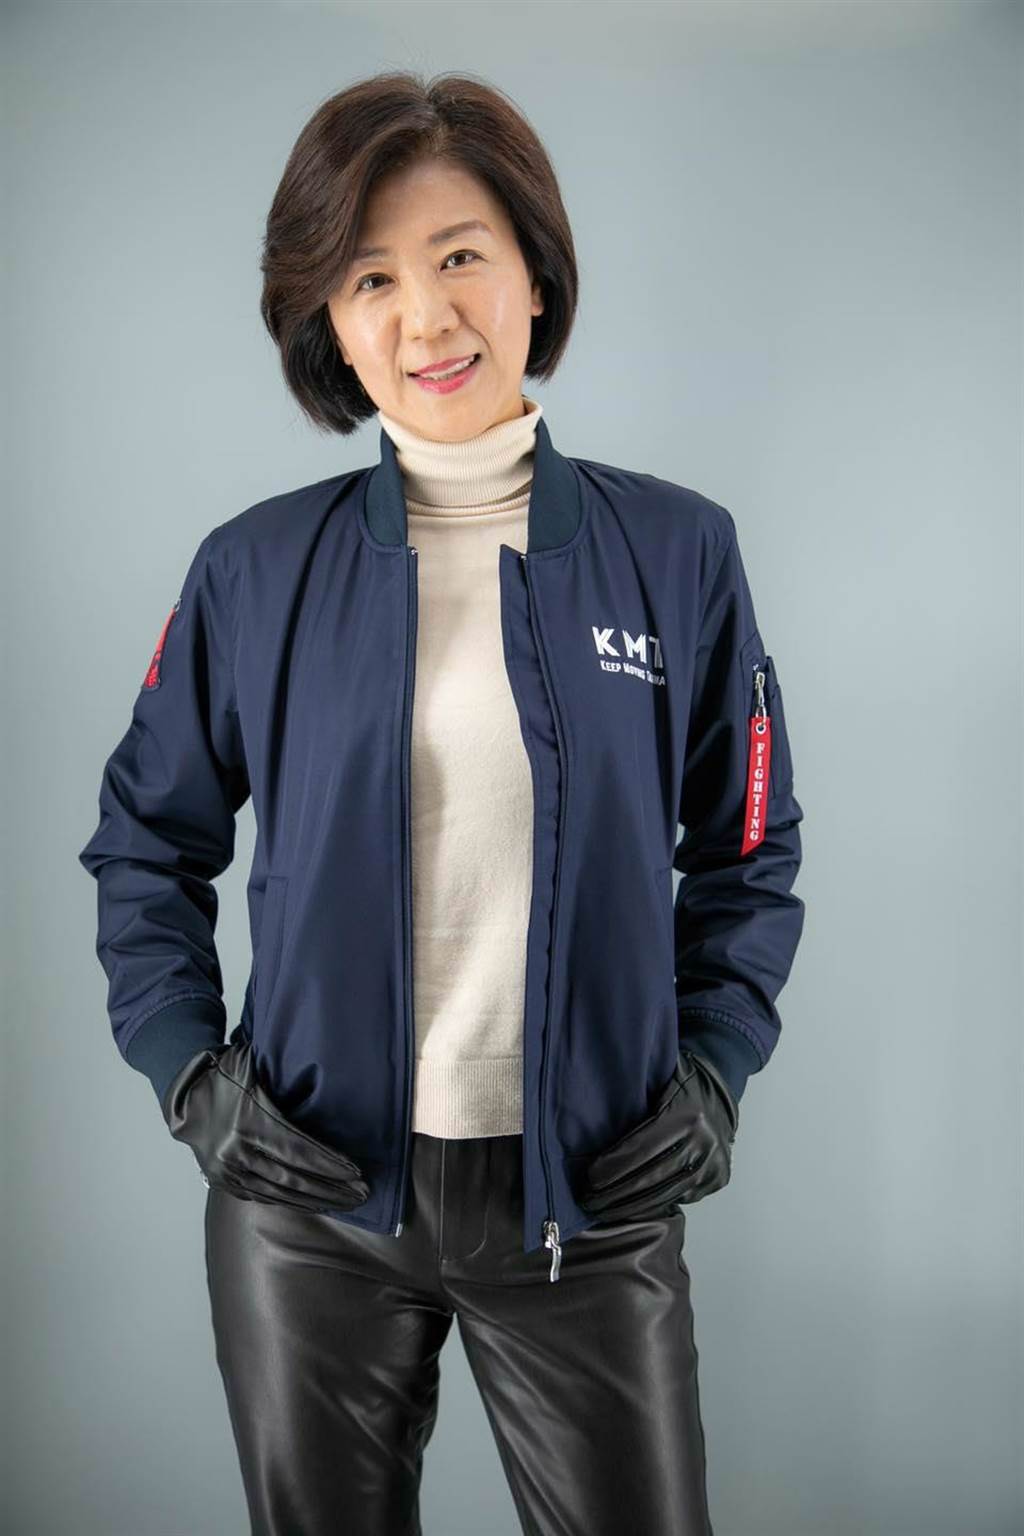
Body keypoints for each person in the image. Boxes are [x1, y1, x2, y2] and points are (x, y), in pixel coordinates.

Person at [78, 71, 805, 1536]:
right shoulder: (254, 571)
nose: (426, 317)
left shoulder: (678, 553)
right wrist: (190, 1075)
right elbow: (146, 842)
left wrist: (718, 1064)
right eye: (371, 279)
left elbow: (747, 850)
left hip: (589, 1204)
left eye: (460, 255)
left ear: (535, 272)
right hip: (312, 1213)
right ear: (332, 327)